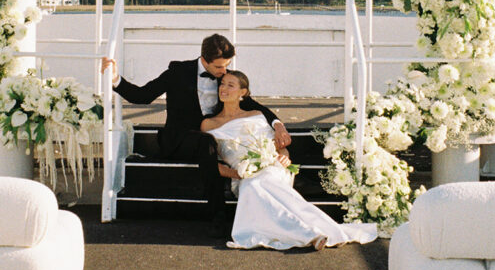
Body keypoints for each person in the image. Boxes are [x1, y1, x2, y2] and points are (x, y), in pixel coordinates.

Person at [101, 34, 291, 236]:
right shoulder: (178, 72)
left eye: (226, 65)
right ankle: (218, 215)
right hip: (180, 140)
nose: (223, 71)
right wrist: (114, 78)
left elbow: (252, 104)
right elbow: (143, 95)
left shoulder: (224, 78)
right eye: (218, 67)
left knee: (220, 141)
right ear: (204, 59)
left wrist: (278, 125)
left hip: (213, 139)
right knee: (206, 142)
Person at [202, 70, 379, 250]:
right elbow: (207, 160)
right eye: (222, 84)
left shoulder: (256, 114)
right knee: (252, 186)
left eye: (230, 85)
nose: (223, 88)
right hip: (242, 175)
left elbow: (279, 145)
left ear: (243, 92)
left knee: (257, 185)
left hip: (272, 166)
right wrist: (236, 173)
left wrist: (284, 157)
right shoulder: (209, 124)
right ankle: (312, 232)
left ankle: (309, 234)